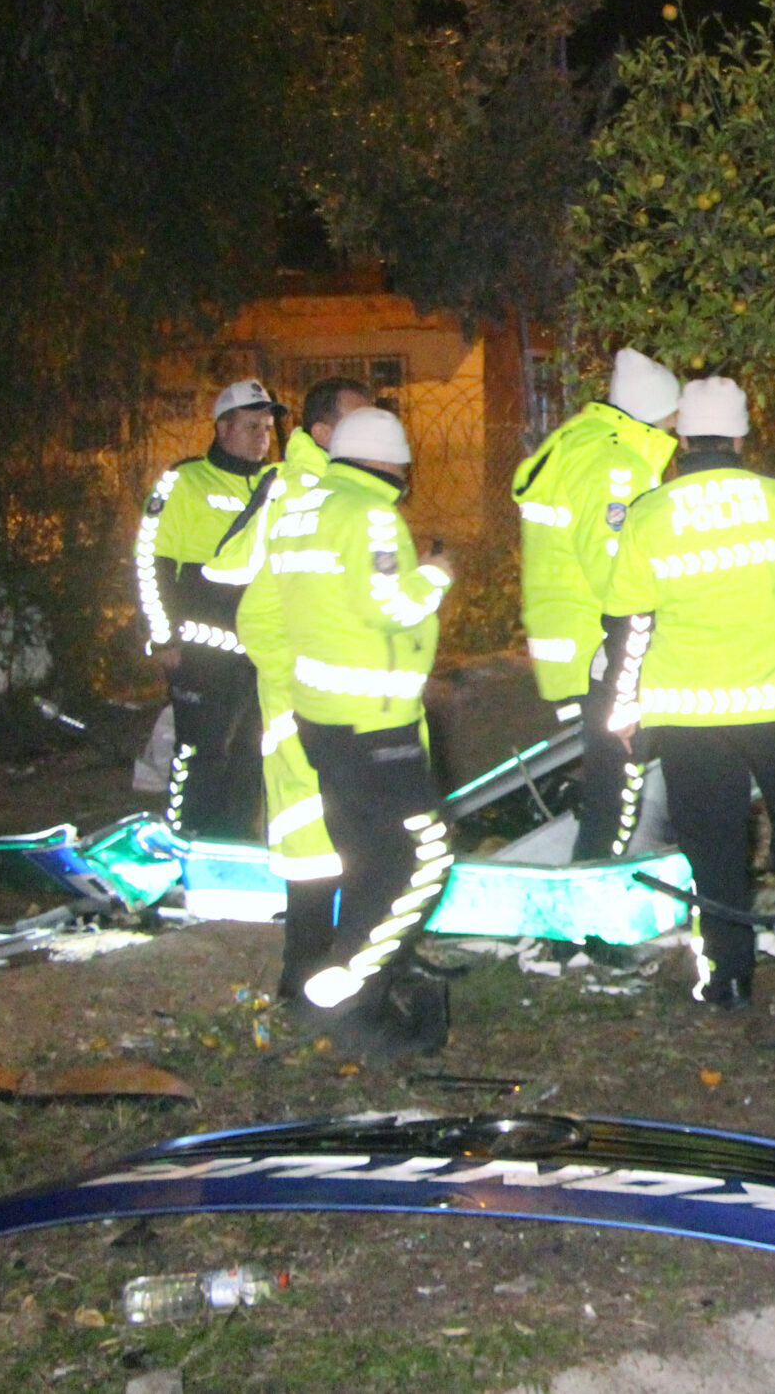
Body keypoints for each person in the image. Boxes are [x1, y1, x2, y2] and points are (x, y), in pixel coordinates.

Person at [598, 377, 775, 1010]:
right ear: (740, 436)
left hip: (690, 714)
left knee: (712, 844)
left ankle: (729, 978)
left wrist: (621, 710)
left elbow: (628, 624)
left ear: (681, 438)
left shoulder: (650, 515)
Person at [280, 406, 455, 1054]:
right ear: (394, 461)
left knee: (366, 858)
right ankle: (351, 1003)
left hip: (323, 715)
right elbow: (391, 604)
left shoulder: (301, 510)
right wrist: (434, 572)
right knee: (419, 860)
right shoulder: (371, 515)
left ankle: (337, 994)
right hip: (376, 723)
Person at [203, 375, 369, 1000]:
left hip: (348, 693)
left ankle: (344, 970)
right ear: (322, 433)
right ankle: (307, 975)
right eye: (358, 421)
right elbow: (231, 570)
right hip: (307, 697)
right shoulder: (293, 489)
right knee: (314, 839)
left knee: (356, 837)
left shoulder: (349, 489)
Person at [513, 348, 678, 860]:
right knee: (616, 787)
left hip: (584, 644)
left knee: (611, 781)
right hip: (604, 646)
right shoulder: (615, 464)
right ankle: (587, 926)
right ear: (656, 412)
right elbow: (617, 571)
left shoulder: (584, 447)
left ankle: (592, 909)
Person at [136, 379, 281, 840]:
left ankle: (235, 844)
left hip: (260, 650)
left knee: (252, 755)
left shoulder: (274, 483)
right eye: (252, 425)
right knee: (200, 754)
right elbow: (149, 563)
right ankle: (188, 842)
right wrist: (162, 636)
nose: (263, 435)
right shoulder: (185, 481)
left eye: (268, 427)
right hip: (202, 647)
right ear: (222, 428)